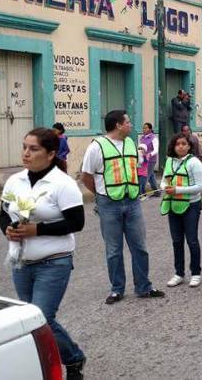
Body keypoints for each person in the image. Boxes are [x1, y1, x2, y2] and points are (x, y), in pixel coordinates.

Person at [0, 127, 86, 379]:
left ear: (50, 154)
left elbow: (76, 223)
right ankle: (43, 363)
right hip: (21, 262)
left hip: (54, 262)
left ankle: (73, 358)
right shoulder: (15, 180)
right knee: (31, 320)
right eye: (25, 147)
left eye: (34, 148)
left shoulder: (63, 184)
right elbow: (4, 213)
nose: (26, 153)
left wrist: (37, 230)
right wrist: (8, 230)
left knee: (42, 319)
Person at [81, 110, 165, 304]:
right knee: (114, 250)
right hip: (108, 204)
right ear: (118, 125)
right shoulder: (97, 147)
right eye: (128, 122)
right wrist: (101, 194)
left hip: (133, 202)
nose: (131, 125)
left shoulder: (130, 143)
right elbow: (86, 176)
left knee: (140, 247)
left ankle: (144, 287)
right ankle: (117, 289)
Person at [161, 132, 202, 288]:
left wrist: (177, 190)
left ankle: (196, 273)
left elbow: (200, 187)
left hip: (191, 205)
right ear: (173, 146)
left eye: (184, 144)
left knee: (192, 240)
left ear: (189, 146)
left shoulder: (194, 163)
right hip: (173, 205)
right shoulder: (169, 162)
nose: (180, 146)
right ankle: (179, 273)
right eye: (177, 144)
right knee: (176, 241)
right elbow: (163, 181)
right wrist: (165, 188)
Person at [139, 123, 160, 195]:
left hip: (151, 160)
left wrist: (149, 154)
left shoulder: (154, 138)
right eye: (143, 128)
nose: (144, 129)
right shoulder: (142, 138)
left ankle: (142, 193)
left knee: (145, 176)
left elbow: (156, 149)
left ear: (150, 129)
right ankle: (157, 192)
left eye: (146, 128)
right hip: (143, 160)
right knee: (151, 176)